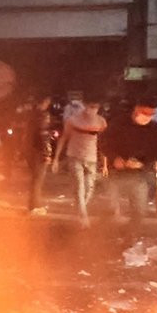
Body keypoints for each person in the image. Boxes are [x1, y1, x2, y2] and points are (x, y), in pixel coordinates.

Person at [101, 98, 157, 224]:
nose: (148, 117)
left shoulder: (152, 128)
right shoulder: (118, 124)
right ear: (137, 110)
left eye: (151, 114)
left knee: (139, 211)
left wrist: (148, 162)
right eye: (146, 113)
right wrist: (115, 158)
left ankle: (132, 237)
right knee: (110, 211)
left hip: (138, 175)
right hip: (116, 174)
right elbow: (104, 143)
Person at [53, 96, 108, 228]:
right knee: (79, 186)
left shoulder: (101, 122)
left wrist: (105, 163)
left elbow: (104, 144)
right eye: (90, 107)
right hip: (74, 156)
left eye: (95, 108)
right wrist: (56, 158)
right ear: (85, 105)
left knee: (89, 188)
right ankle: (84, 218)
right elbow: (64, 138)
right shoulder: (73, 120)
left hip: (92, 158)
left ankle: (80, 210)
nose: (92, 110)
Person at [26, 96, 55, 216]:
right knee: (38, 179)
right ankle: (35, 205)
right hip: (39, 152)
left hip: (31, 150)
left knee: (35, 179)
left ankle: (33, 204)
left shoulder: (30, 114)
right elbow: (43, 135)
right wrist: (47, 153)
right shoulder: (43, 116)